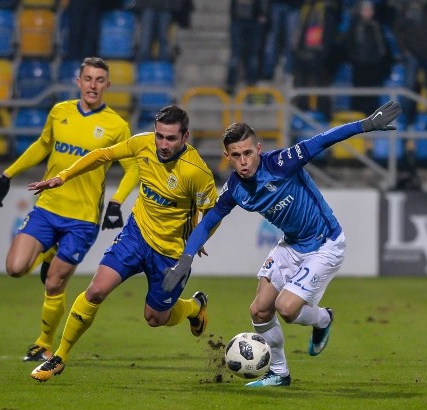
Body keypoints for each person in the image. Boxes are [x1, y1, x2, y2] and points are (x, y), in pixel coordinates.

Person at [162, 101, 402, 387]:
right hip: (291, 244)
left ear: (259, 149)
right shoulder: (235, 190)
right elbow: (208, 221)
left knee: (286, 309)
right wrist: (186, 258)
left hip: (325, 243)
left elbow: (323, 139)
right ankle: (279, 373)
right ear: (227, 157)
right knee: (260, 310)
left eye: (248, 153)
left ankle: (323, 319)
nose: (244, 161)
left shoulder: (282, 163)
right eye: (236, 155)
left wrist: (366, 125)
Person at [27, 105, 219, 382]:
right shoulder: (142, 144)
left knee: (155, 318)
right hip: (135, 235)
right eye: (159, 136)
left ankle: (194, 307)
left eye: (171, 138)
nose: (163, 144)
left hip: (170, 253)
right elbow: (102, 155)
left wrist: (198, 239)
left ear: (185, 137)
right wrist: (63, 176)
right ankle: (60, 356)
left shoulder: (196, 171)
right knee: (95, 291)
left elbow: (212, 214)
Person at [0, 57, 139, 365]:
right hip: (47, 207)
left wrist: (116, 202)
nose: (93, 85)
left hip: (82, 219)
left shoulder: (116, 126)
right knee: (15, 268)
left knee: (55, 282)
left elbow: (133, 168)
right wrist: (8, 174)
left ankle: (43, 343)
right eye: (88, 78)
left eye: (100, 80)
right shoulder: (60, 112)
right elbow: (43, 146)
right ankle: (47, 253)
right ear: (79, 82)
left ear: (107, 85)